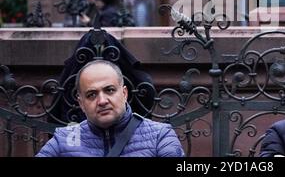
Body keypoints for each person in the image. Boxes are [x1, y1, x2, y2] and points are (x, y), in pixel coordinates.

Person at [36, 60, 184, 157]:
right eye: (91, 94)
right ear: (81, 103)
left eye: (109, 90)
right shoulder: (63, 140)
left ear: (124, 93)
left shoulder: (160, 136)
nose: (102, 101)